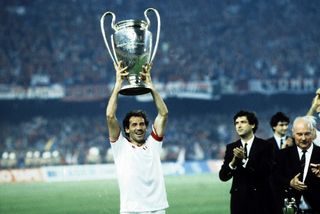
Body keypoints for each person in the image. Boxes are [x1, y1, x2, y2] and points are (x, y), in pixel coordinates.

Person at [106, 61, 169, 214]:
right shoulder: (120, 146)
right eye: (134, 125)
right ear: (126, 129)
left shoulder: (153, 143)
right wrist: (118, 83)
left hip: (157, 208)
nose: (139, 128)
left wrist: (150, 85)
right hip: (131, 210)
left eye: (141, 124)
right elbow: (110, 115)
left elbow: (163, 114)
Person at [219, 110, 274, 214]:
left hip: (260, 200)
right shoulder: (231, 147)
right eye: (236, 123)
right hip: (239, 202)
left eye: (243, 122)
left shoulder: (266, 146)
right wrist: (233, 162)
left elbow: (265, 172)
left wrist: (245, 160)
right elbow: (223, 176)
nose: (239, 126)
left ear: (252, 125)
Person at [274, 116, 320, 214]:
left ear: (313, 133)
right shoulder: (281, 155)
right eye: (299, 134)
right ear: (293, 133)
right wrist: (290, 183)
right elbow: (274, 179)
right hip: (289, 210)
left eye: (307, 134)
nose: (303, 138)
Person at [266, 111, 291, 214]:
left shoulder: (294, 142)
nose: (285, 128)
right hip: (272, 190)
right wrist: (283, 149)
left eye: (286, 125)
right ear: (274, 127)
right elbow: (269, 166)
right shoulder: (266, 145)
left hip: (290, 189)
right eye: (281, 125)